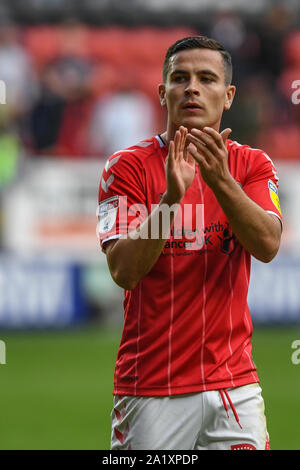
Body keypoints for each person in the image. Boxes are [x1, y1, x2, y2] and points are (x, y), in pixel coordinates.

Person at [97, 36, 282, 450]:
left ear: (228, 95)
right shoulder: (125, 167)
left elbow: (268, 245)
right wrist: (171, 200)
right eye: (180, 78)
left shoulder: (252, 164)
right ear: (163, 92)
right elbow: (124, 272)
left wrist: (219, 180)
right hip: (150, 388)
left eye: (206, 78)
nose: (192, 88)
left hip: (234, 387)